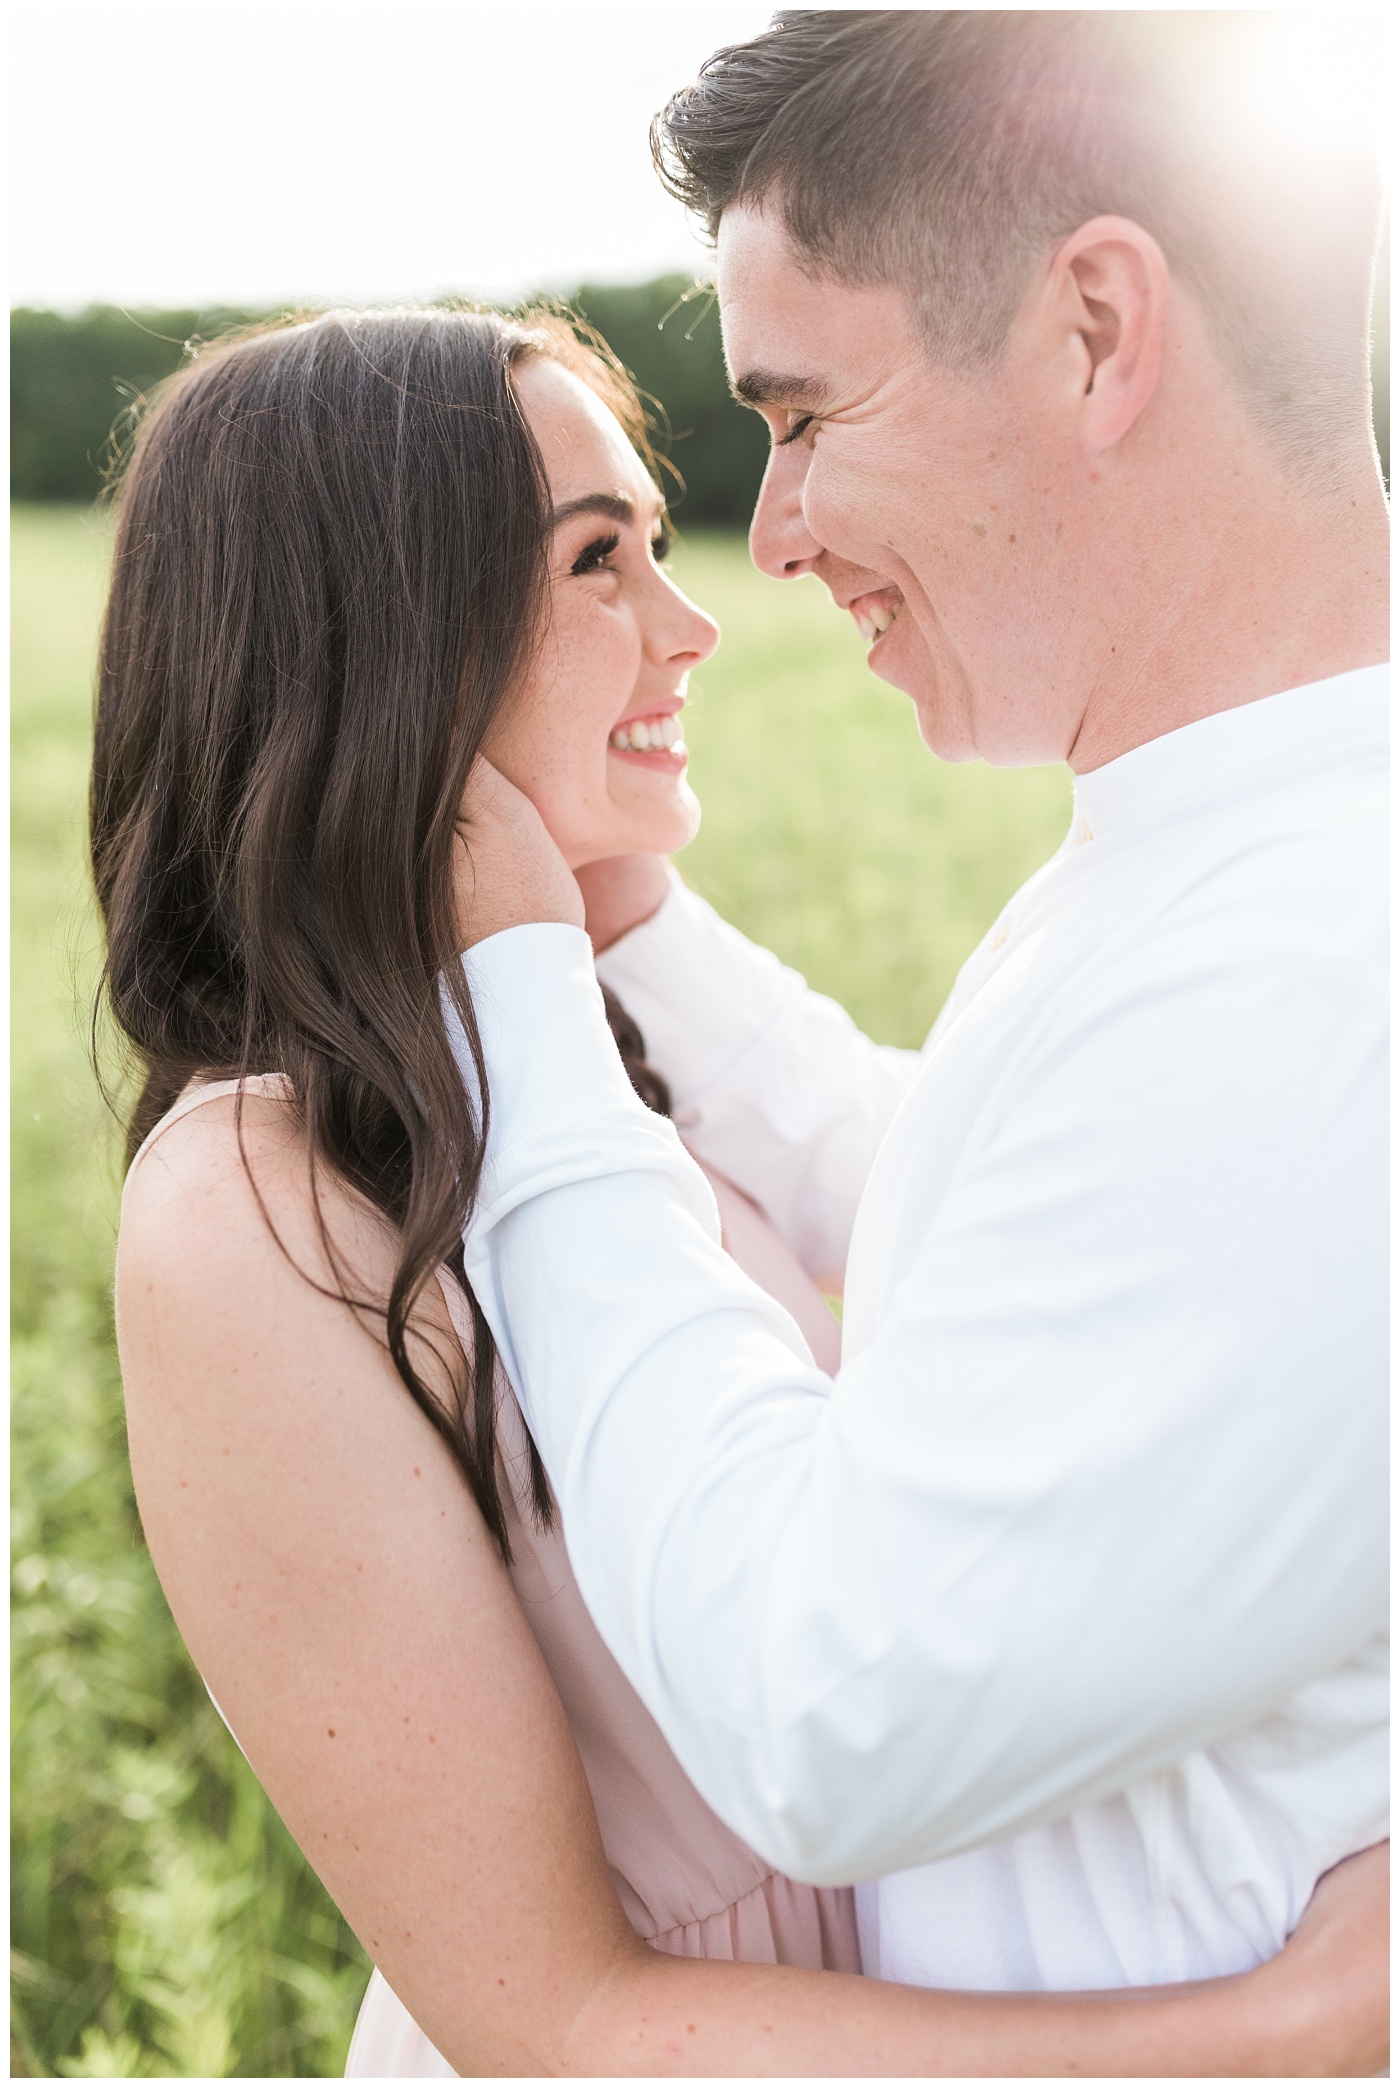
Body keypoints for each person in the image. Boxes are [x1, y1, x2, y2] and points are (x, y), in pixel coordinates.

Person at [103, 305, 1389, 2075]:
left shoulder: (601, 1078)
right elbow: (559, 2030)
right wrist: (1282, 2029)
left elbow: (1001, 1250)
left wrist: (580, 944)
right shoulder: (250, 1215)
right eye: (597, 563)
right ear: (388, 639)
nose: (697, 622)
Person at [450, 5, 1390, 2010]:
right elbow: (1036, 1273)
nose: (768, 538)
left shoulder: (1313, 970)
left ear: (1091, 332)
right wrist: (630, 936)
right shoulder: (1229, 858)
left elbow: (826, 1712)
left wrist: (523, 1010)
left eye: (802, 416)